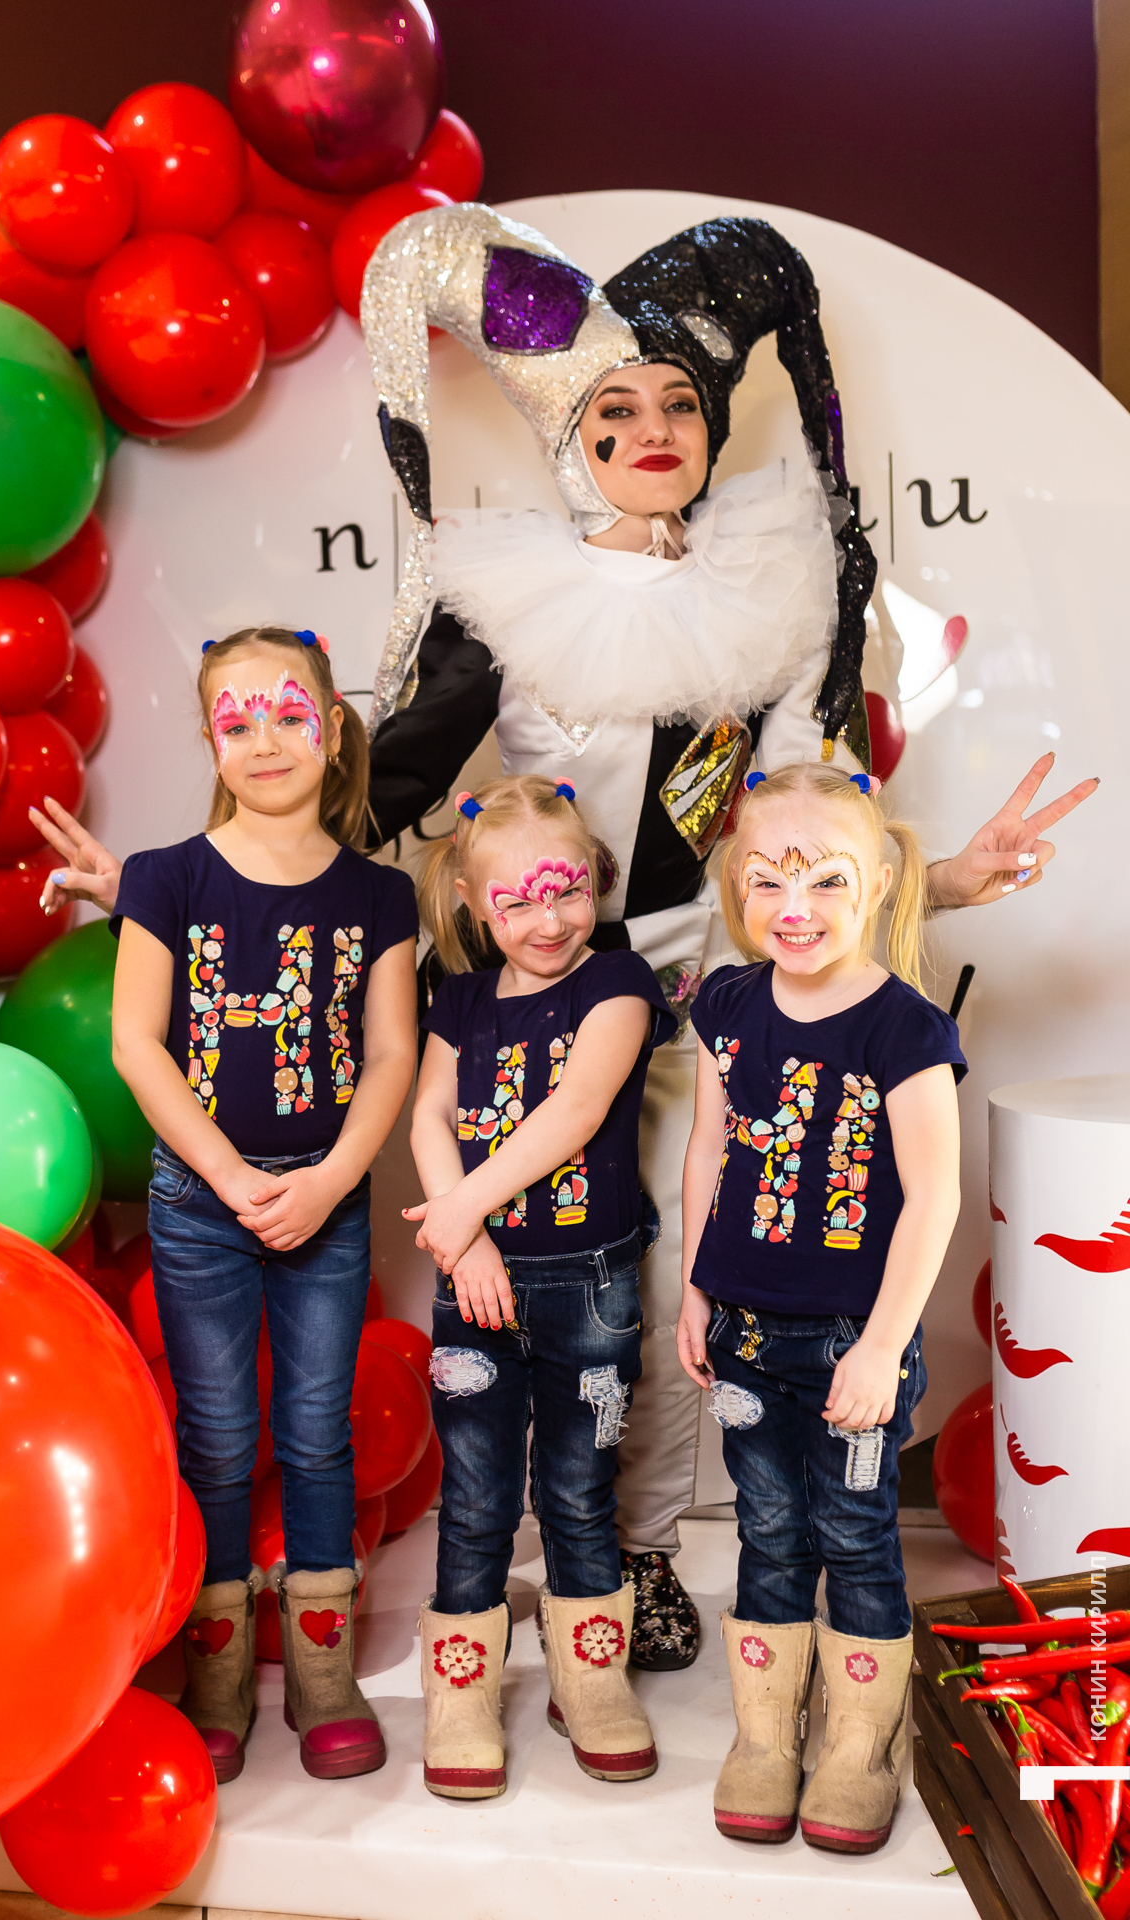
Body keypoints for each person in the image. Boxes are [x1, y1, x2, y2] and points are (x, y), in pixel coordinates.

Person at [357, 200, 1099, 1671]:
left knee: (681, 1273)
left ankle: (636, 1557)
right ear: (572, 438)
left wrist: (943, 880)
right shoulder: (501, 602)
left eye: (677, 404)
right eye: (614, 411)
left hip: (704, 994)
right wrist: (199, 889)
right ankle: (537, 1559)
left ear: (711, 429)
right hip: (538, 1006)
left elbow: (806, 830)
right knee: (538, 1287)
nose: (650, 430)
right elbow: (388, 789)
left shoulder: (771, 592)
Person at [108, 625, 418, 1786]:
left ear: (330, 727)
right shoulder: (165, 877)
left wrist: (328, 1181)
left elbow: (390, 1055)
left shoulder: (377, 895)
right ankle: (220, 1676)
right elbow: (137, 1044)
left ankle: (325, 1678)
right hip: (202, 1201)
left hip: (323, 1204)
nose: (265, 740)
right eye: (236, 722)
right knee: (219, 1436)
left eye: (289, 715)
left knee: (316, 1430)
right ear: (209, 739)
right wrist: (229, 1177)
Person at [678, 762, 965, 1854]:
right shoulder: (724, 1005)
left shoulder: (904, 1029)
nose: (791, 908)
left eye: (825, 880)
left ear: (879, 883)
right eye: (766, 881)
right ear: (735, 888)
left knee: (852, 1535)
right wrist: (693, 1289)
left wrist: (884, 1348)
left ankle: (856, 1746)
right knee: (766, 1529)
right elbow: (708, 1149)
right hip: (744, 1331)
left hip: (853, 1340)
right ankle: (764, 1736)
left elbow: (933, 1196)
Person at [404, 773, 676, 1798]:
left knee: (575, 1490)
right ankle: (461, 1695)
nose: (546, 919)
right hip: (473, 1286)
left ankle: (590, 1679)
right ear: (475, 904)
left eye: (565, 890)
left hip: (588, 1287)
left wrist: (460, 1207)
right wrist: (463, 1238)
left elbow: (575, 1110)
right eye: (516, 900)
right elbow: (429, 1116)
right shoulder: (458, 999)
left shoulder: (620, 983)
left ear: (595, 880)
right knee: (475, 1498)